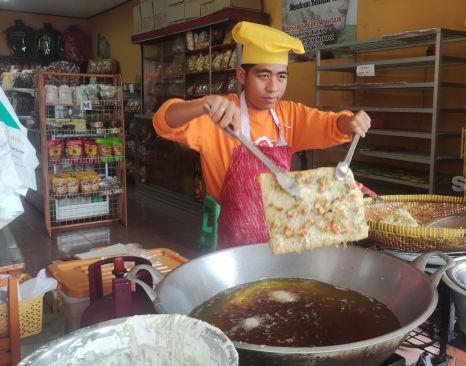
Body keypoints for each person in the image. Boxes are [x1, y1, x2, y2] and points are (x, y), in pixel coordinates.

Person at [153, 21, 370, 250]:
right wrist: (204, 104)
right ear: (241, 75)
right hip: (235, 243)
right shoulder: (221, 113)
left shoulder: (289, 115)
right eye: (264, 76)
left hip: (285, 235)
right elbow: (164, 121)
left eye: (281, 77)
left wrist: (348, 122)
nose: (273, 88)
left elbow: (331, 125)